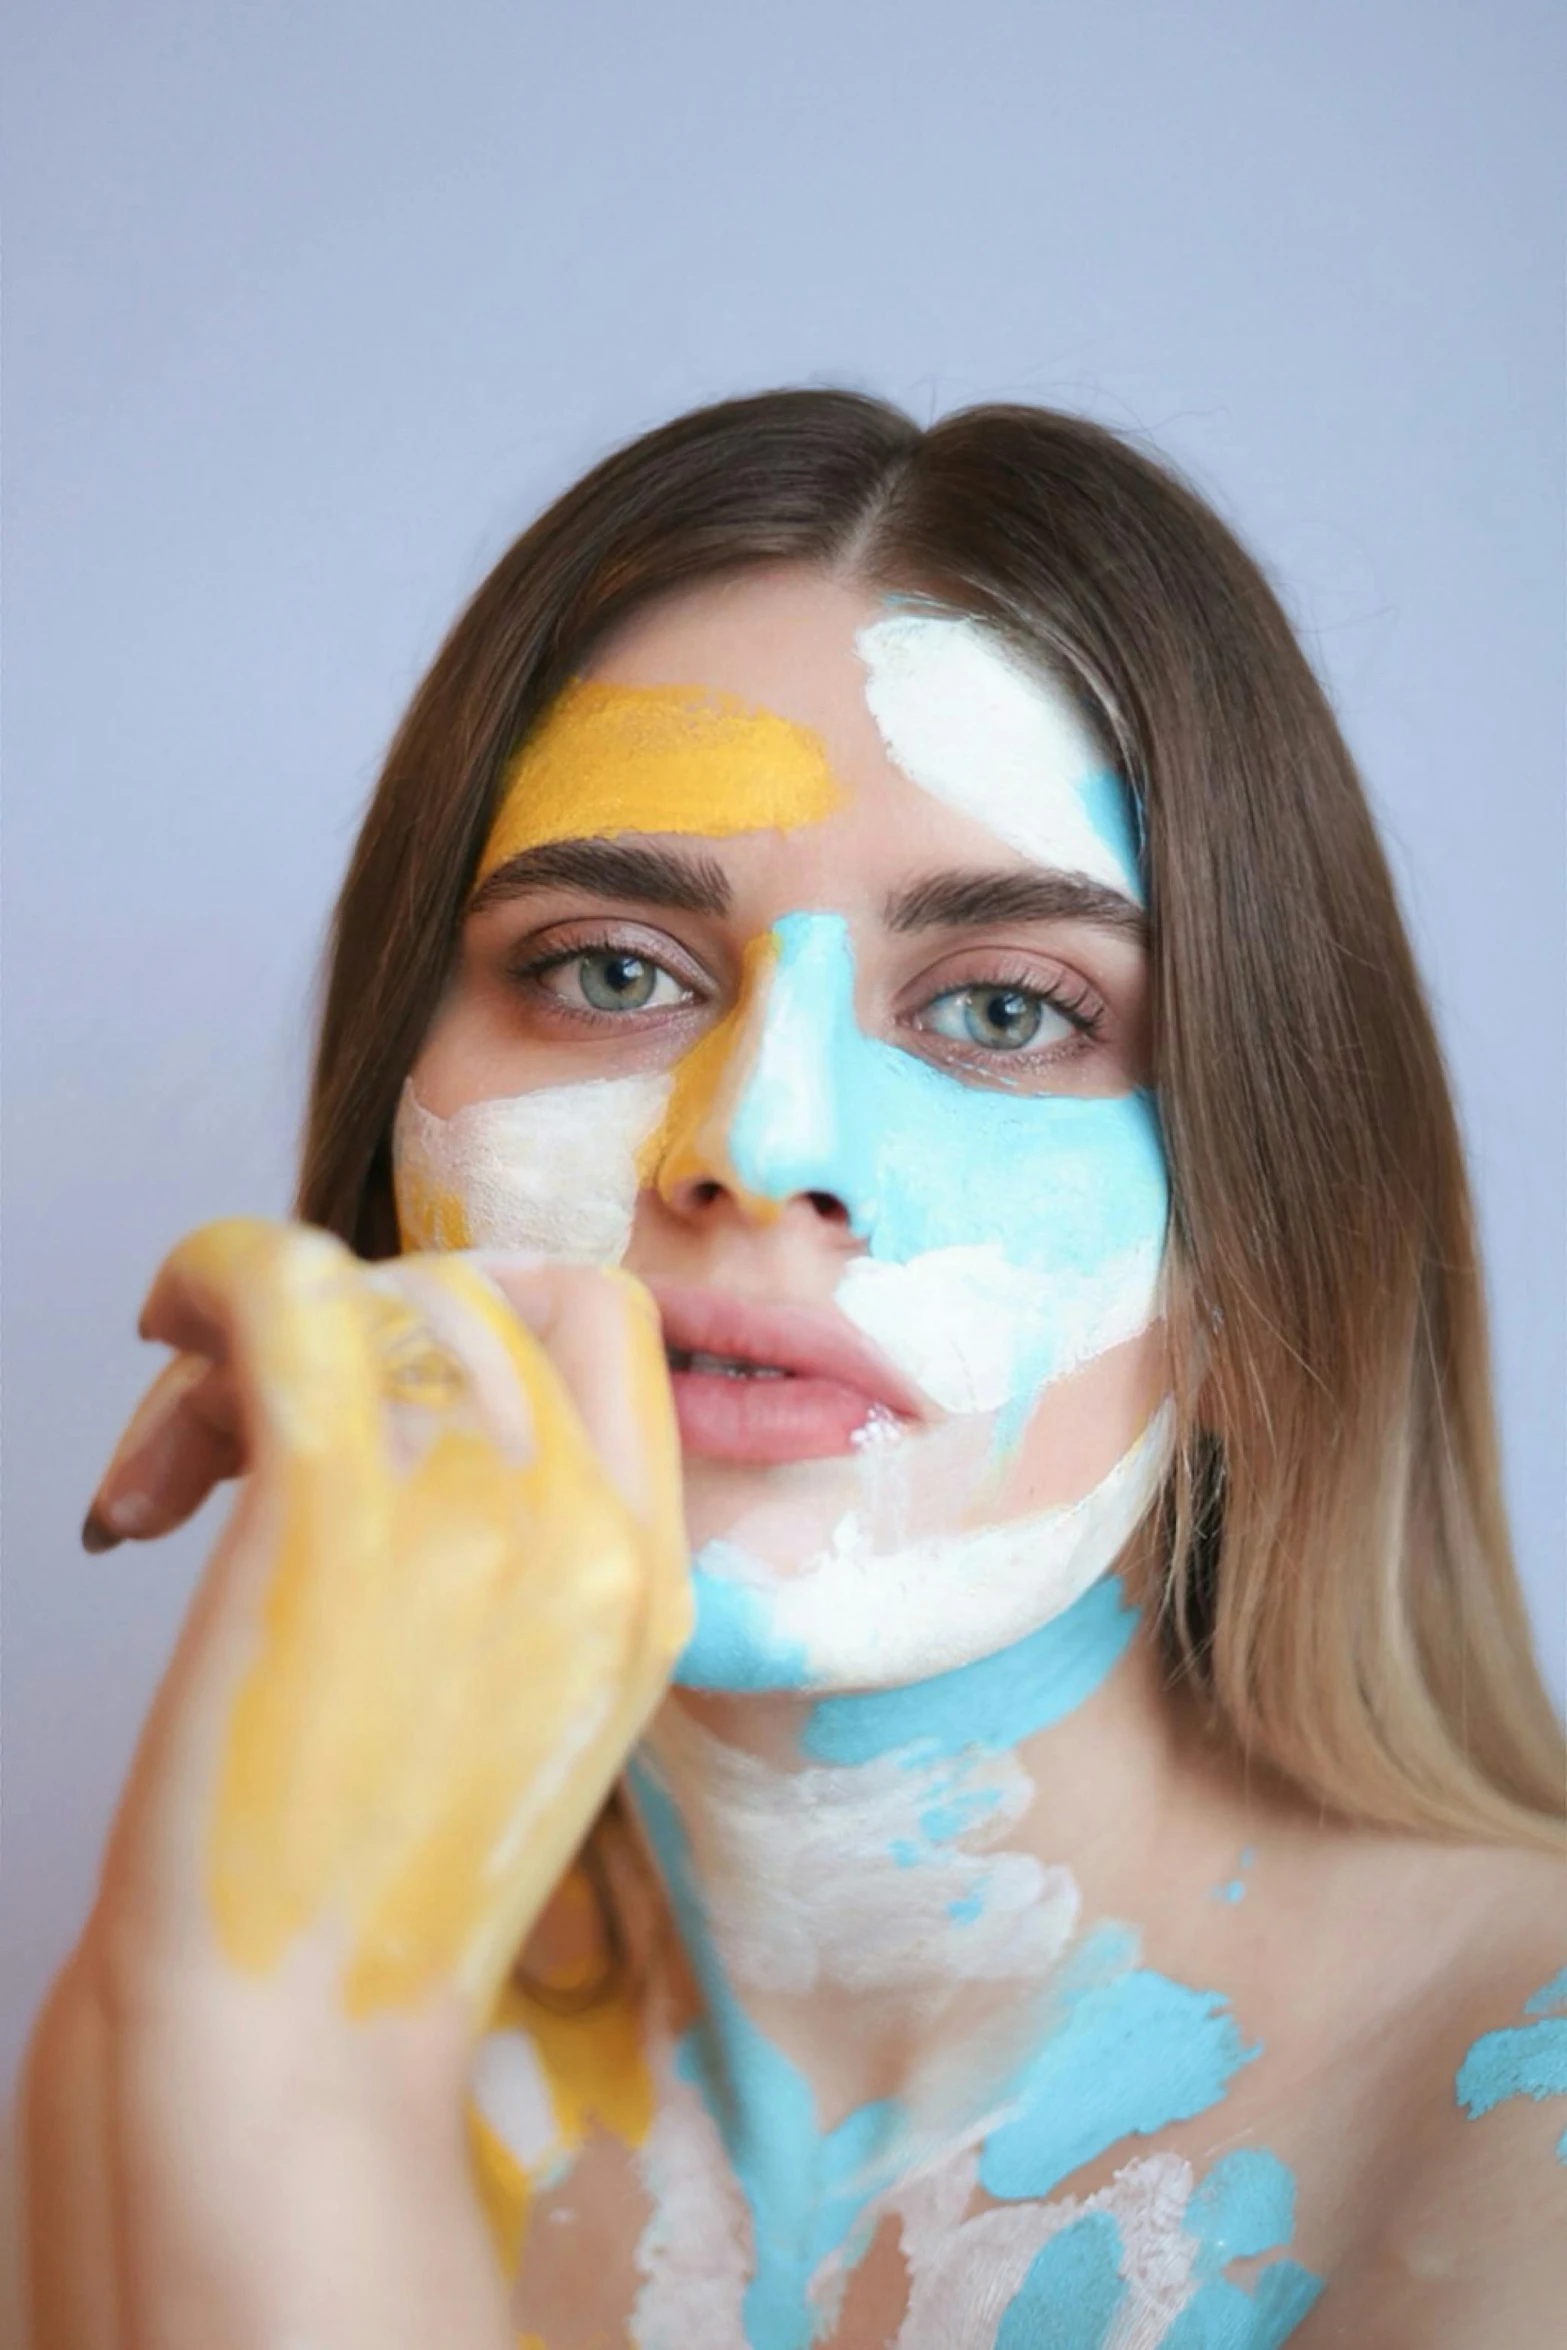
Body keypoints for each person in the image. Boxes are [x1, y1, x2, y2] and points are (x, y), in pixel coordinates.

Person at [21, 390, 1565, 2350]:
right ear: (386, 1144)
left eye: (1008, 1007)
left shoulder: (1521, 2135)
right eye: (610, 968)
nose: (756, 1137)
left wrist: (288, 2071)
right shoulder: (202, 1995)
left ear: (1273, 1250)